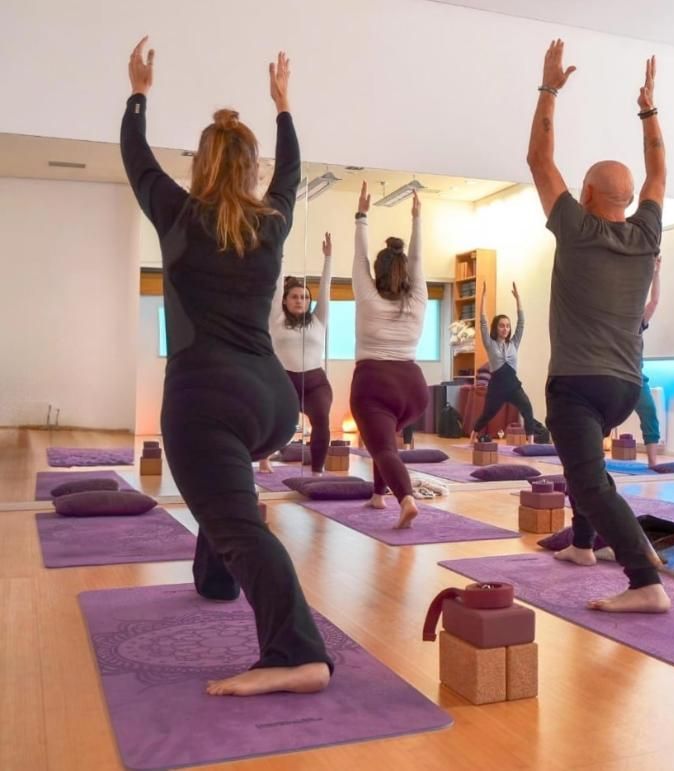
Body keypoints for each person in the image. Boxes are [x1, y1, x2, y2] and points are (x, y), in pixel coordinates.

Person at [121, 38, 330, 695]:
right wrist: (284, 106)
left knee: (237, 524)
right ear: (249, 167)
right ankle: (213, 578)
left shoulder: (177, 212)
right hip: (273, 402)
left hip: (204, 396)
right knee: (224, 493)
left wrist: (138, 93)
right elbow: (291, 171)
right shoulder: (271, 221)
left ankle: (297, 652)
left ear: (202, 164)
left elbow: (135, 156)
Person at [527, 40, 669, 612]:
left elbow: (539, 160)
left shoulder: (575, 226)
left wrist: (549, 89)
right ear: (631, 199)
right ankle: (584, 545)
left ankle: (645, 580)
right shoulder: (647, 233)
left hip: (578, 385)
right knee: (586, 465)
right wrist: (649, 111)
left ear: (584, 195)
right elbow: (659, 170)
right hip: (624, 388)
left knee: (588, 480)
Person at [349, 181, 429, 529]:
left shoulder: (368, 297)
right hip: (414, 388)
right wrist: (416, 220)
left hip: (374, 382)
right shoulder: (418, 298)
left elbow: (359, 258)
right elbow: (417, 258)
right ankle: (378, 495)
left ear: (376, 273)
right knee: (383, 441)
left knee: (383, 448)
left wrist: (362, 216)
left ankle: (406, 499)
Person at [261, 232, 334, 475]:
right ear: (284, 301)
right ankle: (264, 458)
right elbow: (277, 283)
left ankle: (317, 471)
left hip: (315, 382)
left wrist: (328, 259)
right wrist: (279, 255)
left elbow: (326, 290)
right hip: (284, 381)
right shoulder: (278, 319)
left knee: (321, 419)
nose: (300, 300)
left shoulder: (318, 320)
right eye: (294, 297)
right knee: (277, 423)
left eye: (304, 297)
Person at [471, 281, 547, 440]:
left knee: (527, 407)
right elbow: (482, 322)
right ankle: (473, 436)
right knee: (487, 414)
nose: (505, 329)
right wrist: (483, 297)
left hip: (513, 386)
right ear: (496, 328)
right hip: (496, 388)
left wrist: (518, 299)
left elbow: (521, 323)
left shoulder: (514, 343)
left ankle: (530, 441)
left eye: (507, 326)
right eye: (501, 326)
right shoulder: (490, 344)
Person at [635, 255, 663, 467]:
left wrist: (656, 273)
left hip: (635, 377)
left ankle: (652, 462)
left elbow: (653, 302)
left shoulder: (637, 321)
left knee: (649, 412)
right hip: (613, 377)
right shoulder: (610, 323)